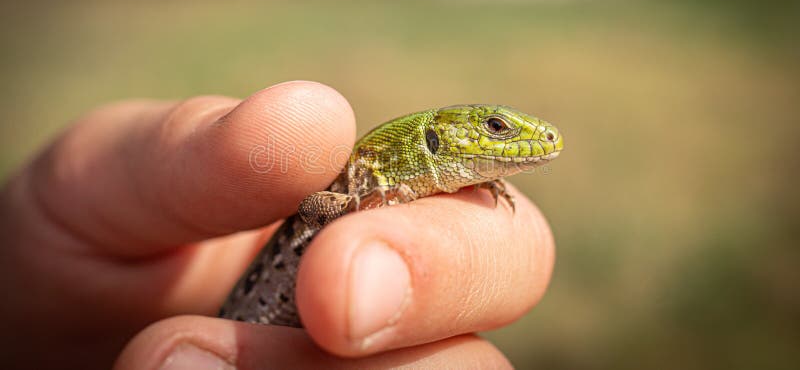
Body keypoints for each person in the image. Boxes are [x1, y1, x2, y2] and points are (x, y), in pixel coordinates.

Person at [0, 81, 555, 369]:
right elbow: (314, 210)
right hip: (248, 309)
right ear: (433, 141)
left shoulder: (397, 188)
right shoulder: (342, 197)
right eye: (498, 129)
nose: (525, 138)